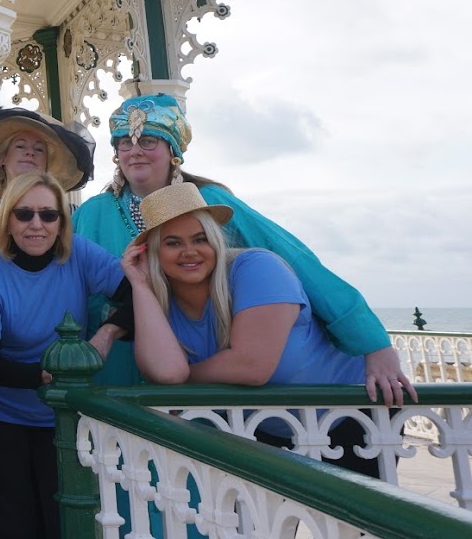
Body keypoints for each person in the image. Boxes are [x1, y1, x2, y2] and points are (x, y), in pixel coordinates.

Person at [74, 93, 414, 406]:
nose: (135, 151)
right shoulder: (92, 213)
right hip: (115, 363)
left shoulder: (211, 202)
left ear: (173, 150)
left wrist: (373, 342)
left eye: (148, 141)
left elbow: (295, 260)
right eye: (124, 143)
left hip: (203, 372)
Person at [123, 183, 380, 475]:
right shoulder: (159, 302)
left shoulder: (258, 268)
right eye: (172, 243)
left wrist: (184, 381)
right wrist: (139, 284)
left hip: (352, 421)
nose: (189, 251)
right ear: (151, 252)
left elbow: (251, 366)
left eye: (201, 239)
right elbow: (168, 372)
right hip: (265, 432)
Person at [0, 172, 123, 539]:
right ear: (7, 219)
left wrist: (107, 333)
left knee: (66, 521)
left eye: (48, 215)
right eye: (24, 214)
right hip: (5, 416)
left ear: (61, 222)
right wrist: (47, 376)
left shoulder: (79, 254)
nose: (36, 225)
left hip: (67, 416)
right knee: (15, 524)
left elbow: (134, 293)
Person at [0, 108, 94, 257]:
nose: (30, 153)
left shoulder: (72, 215)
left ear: (47, 164)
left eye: (39, 149)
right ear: (2, 158)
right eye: (20, 146)